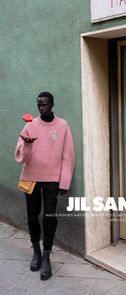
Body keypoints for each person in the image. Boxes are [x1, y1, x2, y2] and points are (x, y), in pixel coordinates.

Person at [15, 92, 76, 280]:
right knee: (32, 216)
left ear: (52, 105)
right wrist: (26, 145)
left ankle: (47, 254)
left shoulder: (62, 125)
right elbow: (19, 157)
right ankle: (36, 251)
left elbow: (69, 156)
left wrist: (64, 181)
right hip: (31, 178)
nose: (42, 108)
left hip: (51, 179)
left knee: (49, 217)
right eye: (39, 105)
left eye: (45, 105)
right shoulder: (30, 125)